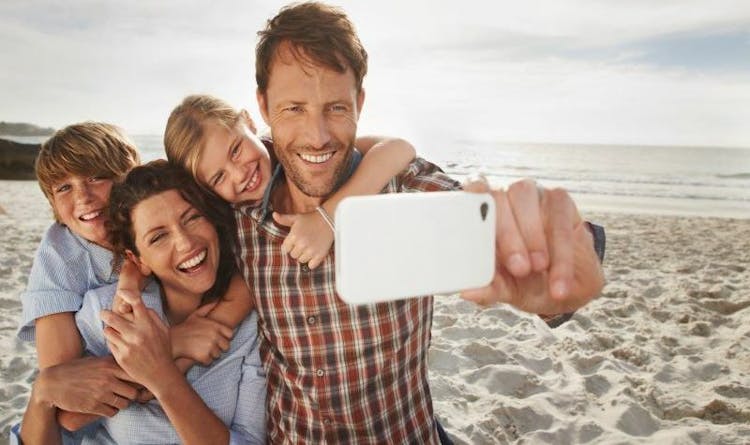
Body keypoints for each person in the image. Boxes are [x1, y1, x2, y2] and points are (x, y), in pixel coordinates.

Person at [226, 2, 605, 443]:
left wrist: (552, 271)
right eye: (293, 108)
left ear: (359, 103)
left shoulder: (402, 187)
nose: (317, 136)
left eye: (335, 108)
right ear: (263, 105)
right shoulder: (239, 205)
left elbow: (489, 227)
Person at [15, 123, 254, 434]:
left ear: (128, 176)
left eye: (96, 178)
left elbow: (248, 270)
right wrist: (174, 344)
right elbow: (64, 395)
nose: (84, 198)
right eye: (64, 188)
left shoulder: (166, 214)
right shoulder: (60, 255)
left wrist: (214, 322)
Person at [164, 94, 418, 269]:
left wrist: (329, 217)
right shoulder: (231, 215)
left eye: (235, 150)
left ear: (248, 122)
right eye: (219, 177)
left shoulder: (302, 153)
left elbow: (399, 148)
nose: (239, 175)